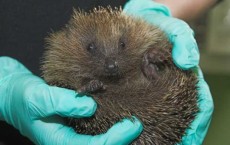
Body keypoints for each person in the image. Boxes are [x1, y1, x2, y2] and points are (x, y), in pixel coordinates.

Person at [0, 0, 218, 144]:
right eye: (93, 50)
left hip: (142, 85)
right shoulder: (65, 56)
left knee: (157, 65)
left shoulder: (137, 34)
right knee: (81, 101)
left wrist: (159, 6)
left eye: (121, 47)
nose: (111, 64)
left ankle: (148, 68)